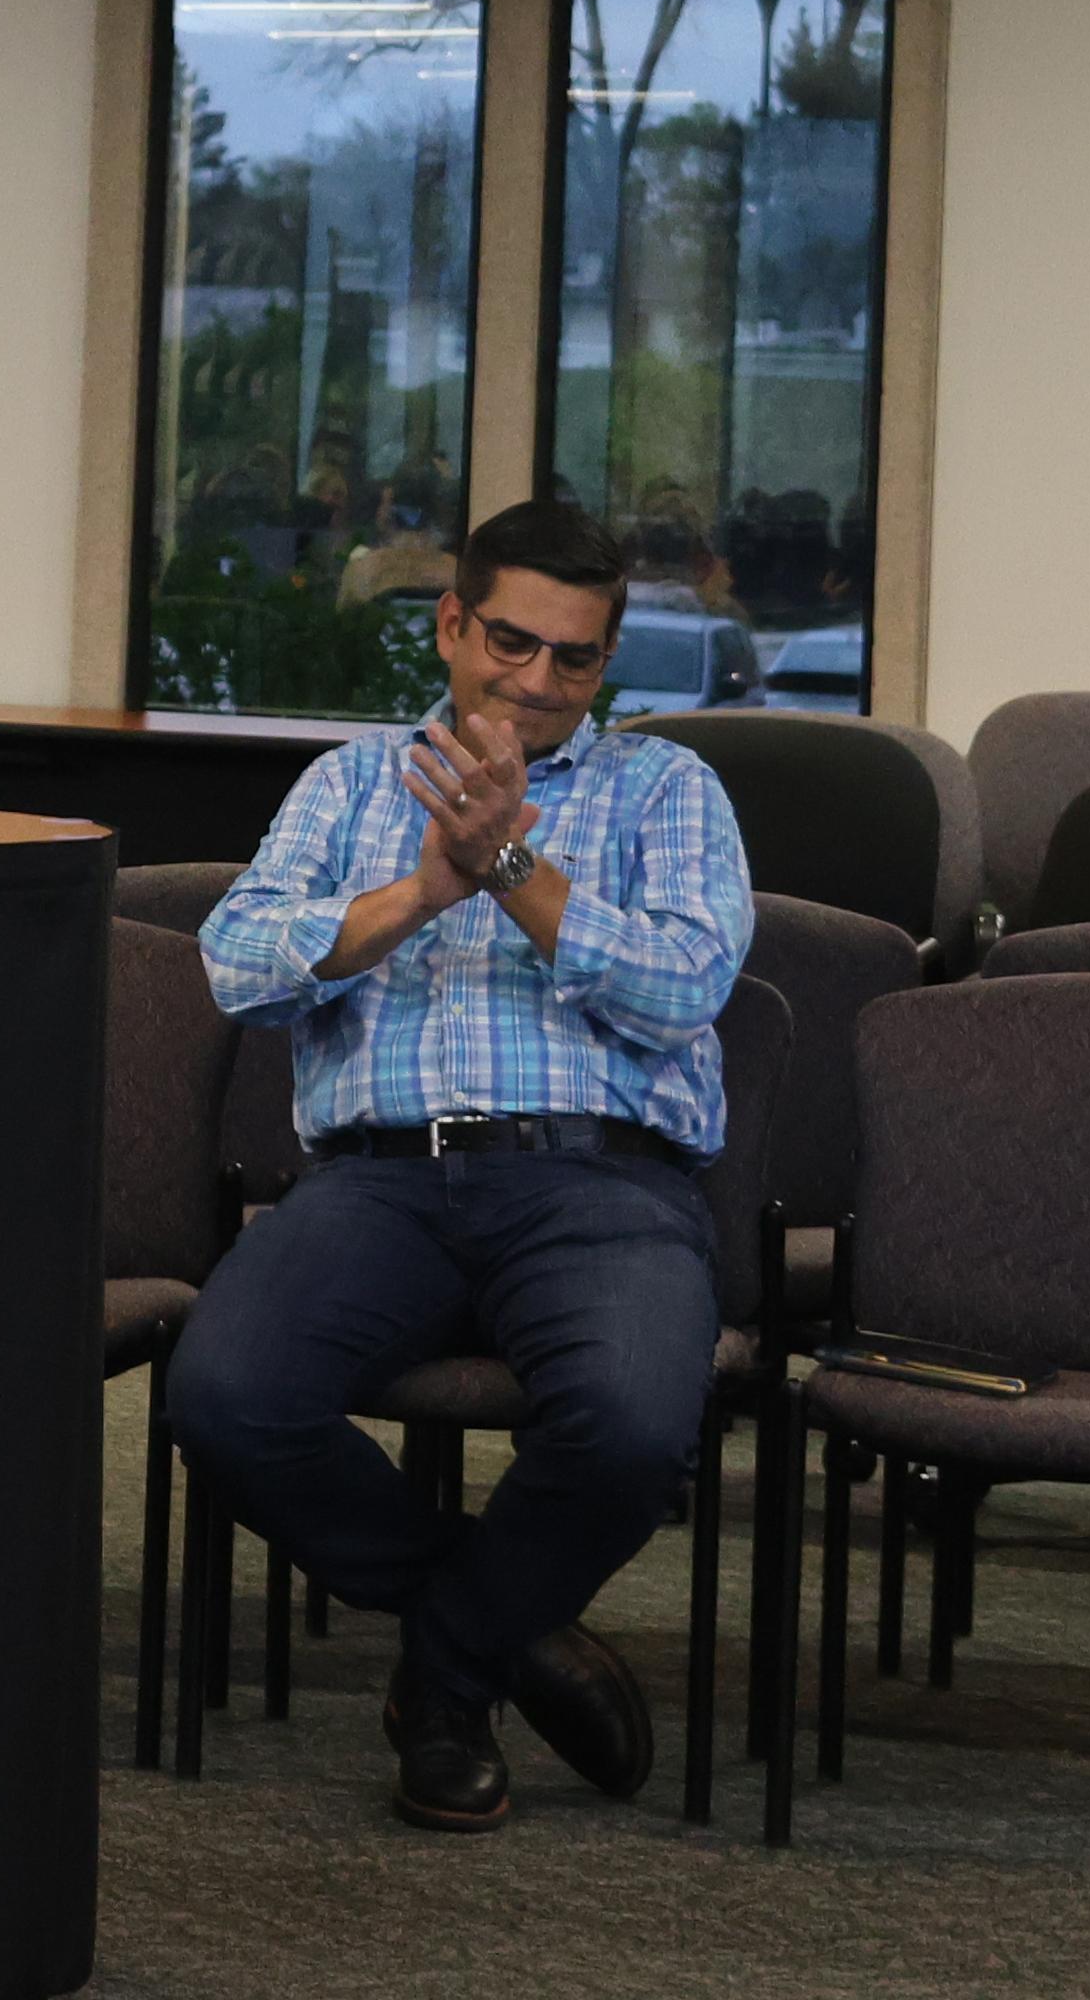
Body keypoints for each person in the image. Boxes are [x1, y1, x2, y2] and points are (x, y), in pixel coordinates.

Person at [171, 498, 754, 1834]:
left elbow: (686, 987)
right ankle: (506, 1627)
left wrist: (509, 867)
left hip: (602, 1185)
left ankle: (445, 1680)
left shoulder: (667, 789)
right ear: (450, 625)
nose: (539, 680)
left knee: (632, 1430)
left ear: (606, 661)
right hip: (378, 1181)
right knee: (223, 1396)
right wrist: (422, 893)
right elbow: (237, 966)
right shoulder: (349, 785)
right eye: (511, 642)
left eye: (575, 657)